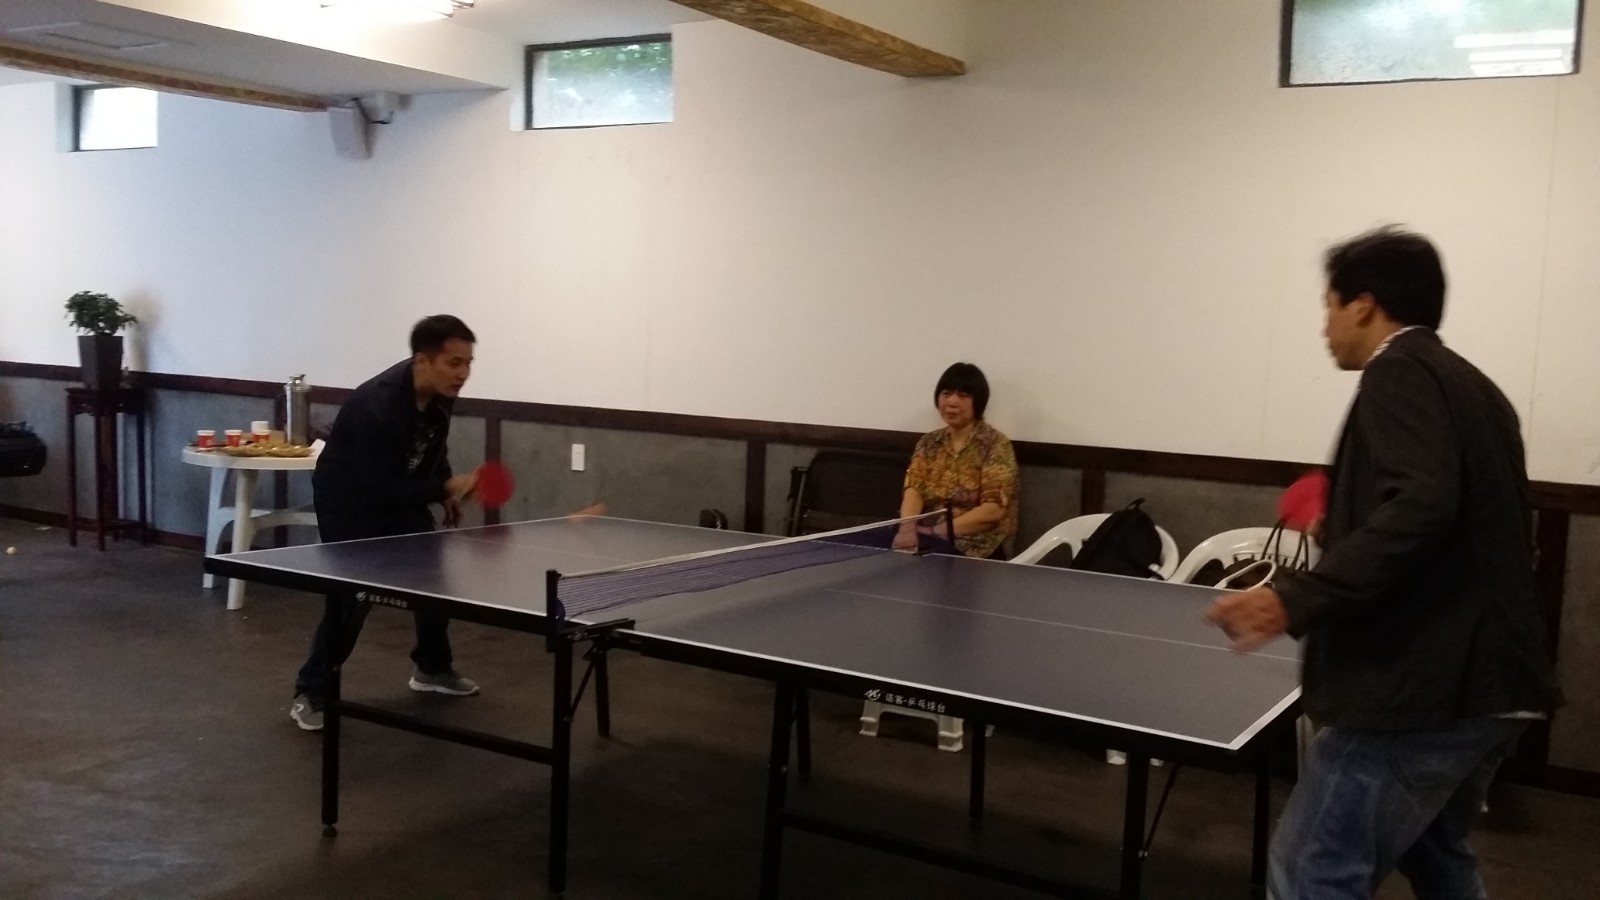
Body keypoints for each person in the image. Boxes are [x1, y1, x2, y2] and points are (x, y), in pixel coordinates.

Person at [1207, 227, 1561, 899]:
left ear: (1364, 305)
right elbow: (1475, 521)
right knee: (1436, 854)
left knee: (1311, 869)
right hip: (1499, 686)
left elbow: (1423, 505)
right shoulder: (1478, 388)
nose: (1325, 328)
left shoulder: (1397, 372)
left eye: (1328, 307)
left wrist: (1294, 598)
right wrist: (1348, 523)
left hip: (1427, 691)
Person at [289, 315, 485, 732]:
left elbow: (433, 444)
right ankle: (312, 691)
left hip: (392, 489)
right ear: (423, 360)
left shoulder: (441, 393)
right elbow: (379, 489)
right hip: (347, 500)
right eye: (454, 363)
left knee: (433, 576)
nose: (463, 373)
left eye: (468, 363)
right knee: (352, 595)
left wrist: (444, 489)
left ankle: (432, 667)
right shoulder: (378, 407)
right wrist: (443, 487)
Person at [896, 362, 1019, 559]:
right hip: (926, 537)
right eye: (946, 394)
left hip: (977, 548)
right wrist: (907, 529)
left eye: (963, 396)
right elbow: (914, 490)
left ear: (978, 402)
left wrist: (938, 532)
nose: (952, 402)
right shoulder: (928, 442)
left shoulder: (996, 444)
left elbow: (992, 511)